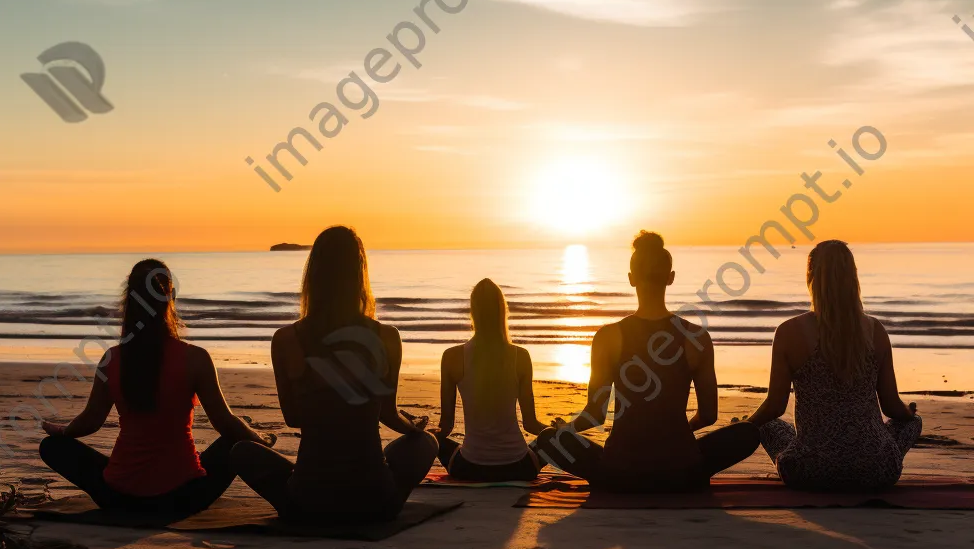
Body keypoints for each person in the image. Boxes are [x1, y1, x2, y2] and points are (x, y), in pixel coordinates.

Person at [231, 226, 438, 522]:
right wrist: (415, 427)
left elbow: (293, 418)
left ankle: (300, 499)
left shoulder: (286, 339)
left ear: (313, 275)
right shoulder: (386, 337)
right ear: (359, 274)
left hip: (308, 499)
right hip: (374, 500)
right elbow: (389, 415)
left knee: (241, 451)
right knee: (426, 442)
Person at [531, 231, 760, 492]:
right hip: (682, 473)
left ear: (631, 279)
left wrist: (566, 428)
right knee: (747, 432)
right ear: (670, 278)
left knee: (550, 439)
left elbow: (595, 415)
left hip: (620, 473)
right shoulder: (696, 337)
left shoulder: (608, 336)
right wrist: (680, 432)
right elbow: (708, 416)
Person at [40, 259, 269, 517]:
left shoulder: (112, 359)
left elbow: (90, 422)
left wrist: (63, 431)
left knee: (53, 447)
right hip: (183, 498)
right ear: (171, 296)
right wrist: (259, 440)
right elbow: (225, 423)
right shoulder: (195, 358)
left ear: (129, 299)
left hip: (119, 497)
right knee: (239, 434)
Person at [748, 240, 921, 491]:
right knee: (913, 422)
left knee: (766, 424)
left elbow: (775, 406)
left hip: (809, 472)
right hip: (877, 469)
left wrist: (745, 426)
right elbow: (892, 407)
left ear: (811, 277)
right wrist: (909, 414)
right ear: (853, 278)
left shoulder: (789, 332)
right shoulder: (875, 331)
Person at [434, 278, 549, 482]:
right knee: (552, 439)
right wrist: (554, 431)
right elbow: (530, 424)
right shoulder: (520, 356)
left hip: (469, 469)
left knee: (428, 440)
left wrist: (423, 432)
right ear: (502, 311)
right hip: (520, 468)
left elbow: (446, 426)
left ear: (473, 312)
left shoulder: (451, 357)